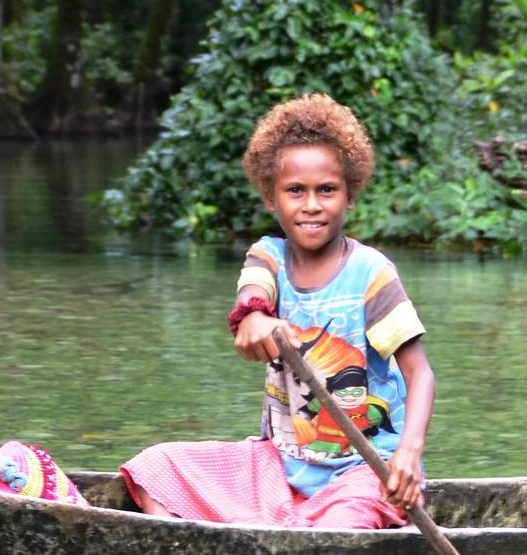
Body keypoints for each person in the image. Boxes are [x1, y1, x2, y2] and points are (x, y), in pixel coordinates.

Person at [121, 94, 434, 528]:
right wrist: (254, 318)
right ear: (271, 197)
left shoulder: (371, 274)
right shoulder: (267, 257)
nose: (311, 205)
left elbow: (421, 374)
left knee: (335, 534)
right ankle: (206, 551)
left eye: (327, 190)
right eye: (295, 191)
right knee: (156, 469)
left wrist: (408, 454)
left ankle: (305, 534)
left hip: (368, 473)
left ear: (350, 196)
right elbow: (253, 300)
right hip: (281, 466)